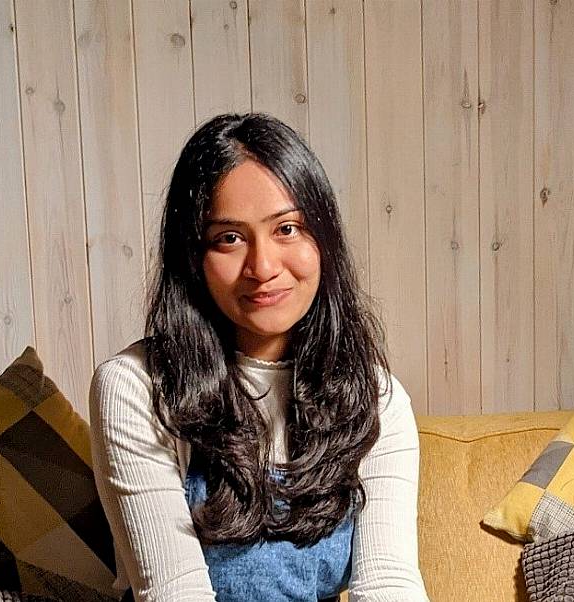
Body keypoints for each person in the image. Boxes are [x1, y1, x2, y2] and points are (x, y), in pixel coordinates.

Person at [88, 112, 429, 602]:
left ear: (323, 239)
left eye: (287, 229)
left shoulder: (375, 398)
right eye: (229, 238)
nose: (263, 267)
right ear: (193, 256)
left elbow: (388, 583)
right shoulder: (136, 388)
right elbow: (175, 594)